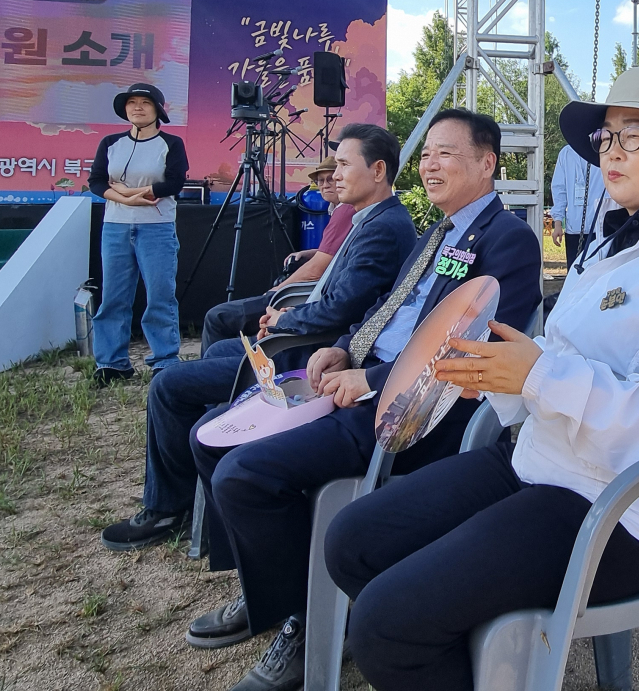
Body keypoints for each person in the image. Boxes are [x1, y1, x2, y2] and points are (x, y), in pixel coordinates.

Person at [322, 66, 639, 691]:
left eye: (633, 134)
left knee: (385, 624)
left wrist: (537, 377)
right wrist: (504, 378)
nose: (611, 152)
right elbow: (556, 361)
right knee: (352, 540)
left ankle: (441, 646)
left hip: (614, 508)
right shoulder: (609, 246)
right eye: (606, 138)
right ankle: (475, 654)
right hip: (536, 459)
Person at [184, 109, 542, 691]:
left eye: (446, 153)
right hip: (359, 380)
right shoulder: (436, 232)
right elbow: (390, 309)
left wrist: (371, 380)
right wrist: (344, 350)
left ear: (487, 163)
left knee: (242, 475)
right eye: (426, 154)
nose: (429, 164)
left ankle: (305, 621)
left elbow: (469, 351)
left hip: (410, 412)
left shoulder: (510, 241)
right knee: (212, 434)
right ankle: (268, 590)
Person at [99, 124, 415, 553]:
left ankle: (166, 508)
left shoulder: (383, 226)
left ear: (378, 170)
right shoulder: (368, 218)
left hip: (306, 357)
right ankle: (196, 491)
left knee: (169, 385)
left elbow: (343, 309)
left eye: (343, 164)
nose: (334, 174)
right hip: (305, 342)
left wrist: (284, 321)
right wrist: (284, 316)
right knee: (218, 348)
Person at [87, 83, 189, 388]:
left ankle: (165, 360)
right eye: (132, 103)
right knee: (114, 296)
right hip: (116, 226)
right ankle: (111, 363)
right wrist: (123, 199)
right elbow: (96, 181)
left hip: (156, 228)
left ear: (158, 109)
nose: (137, 108)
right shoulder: (110, 143)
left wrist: (127, 191)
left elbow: (173, 184)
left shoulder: (171, 143)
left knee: (160, 294)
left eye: (145, 102)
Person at [199, 156, 354, 355]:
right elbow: (336, 252)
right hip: (313, 304)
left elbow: (318, 269)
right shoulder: (342, 210)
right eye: (320, 180)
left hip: (307, 303)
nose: (324, 185)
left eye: (330, 179)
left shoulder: (345, 210)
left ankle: (217, 376)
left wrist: (276, 290)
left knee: (217, 317)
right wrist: (311, 252)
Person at [549, 142, 606, 264]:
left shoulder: (603, 150)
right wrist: (558, 223)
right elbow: (559, 189)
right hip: (574, 228)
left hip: (600, 228)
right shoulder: (566, 153)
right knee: (574, 274)